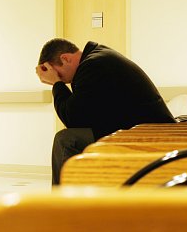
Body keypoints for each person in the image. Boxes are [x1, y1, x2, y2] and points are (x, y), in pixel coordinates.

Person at [36, 38, 175, 185]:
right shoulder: (98, 59)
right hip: (141, 130)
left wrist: (56, 84)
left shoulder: (93, 66)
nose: (64, 81)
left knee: (65, 140)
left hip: (148, 136)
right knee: (72, 138)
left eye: (60, 75)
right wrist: (58, 82)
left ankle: (64, 205)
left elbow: (72, 118)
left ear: (65, 59)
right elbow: (83, 116)